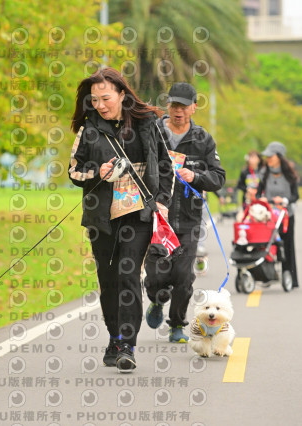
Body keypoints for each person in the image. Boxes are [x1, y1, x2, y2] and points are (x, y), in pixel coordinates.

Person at [68, 67, 173, 373]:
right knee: (109, 280)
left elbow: (165, 166)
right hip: (101, 216)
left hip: (139, 213)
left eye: (105, 98)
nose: (99, 104)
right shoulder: (89, 129)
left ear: (122, 94)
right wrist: (96, 172)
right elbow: (74, 170)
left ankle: (127, 345)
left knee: (128, 275)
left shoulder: (148, 123)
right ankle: (114, 338)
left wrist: (162, 202)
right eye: (94, 99)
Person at [143, 82, 226, 343]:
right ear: (168, 105)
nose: (178, 110)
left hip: (189, 220)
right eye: (174, 105)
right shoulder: (153, 131)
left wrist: (196, 176)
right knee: (156, 275)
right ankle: (157, 300)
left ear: (194, 107)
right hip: (156, 218)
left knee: (183, 276)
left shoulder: (203, 139)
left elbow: (218, 177)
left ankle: (177, 324)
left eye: (184, 106)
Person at [252, 141, 300, 288]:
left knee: (287, 246)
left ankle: (290, 276)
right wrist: (261, 199)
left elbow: (295, 195)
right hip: (269, 216)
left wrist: (284, 200)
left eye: (271, 156)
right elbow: (258, 192)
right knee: (265, 244)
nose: (268, 159)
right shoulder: (264, 173)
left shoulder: (290, 174)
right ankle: (266, 275)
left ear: (279, 157)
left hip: (285, 215)